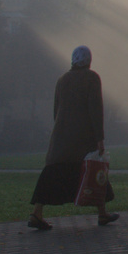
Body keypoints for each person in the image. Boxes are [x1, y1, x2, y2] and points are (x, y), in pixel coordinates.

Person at [28, 45, 119, 229]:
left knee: (52, 174)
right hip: (83, 140)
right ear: (89, 61)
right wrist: (100, 138)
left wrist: (61, 131)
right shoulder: (92, 78)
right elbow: (96, 110)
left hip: (61, 140)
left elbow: (56, 111)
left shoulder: (62, 80)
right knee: (92, 172)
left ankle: (37, 213)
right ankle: (102, 213)